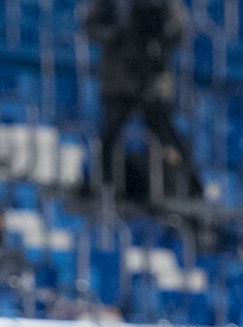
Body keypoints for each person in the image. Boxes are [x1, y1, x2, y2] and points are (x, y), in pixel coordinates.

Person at [84, 0, 203, 200]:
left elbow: (179, 28)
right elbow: (91, 26)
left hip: (154, 78)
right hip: (119, 78)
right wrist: (115, 35)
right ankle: (105, 184)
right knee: (110, 133)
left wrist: (161, 41)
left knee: (165, 134)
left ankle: (188, 184)